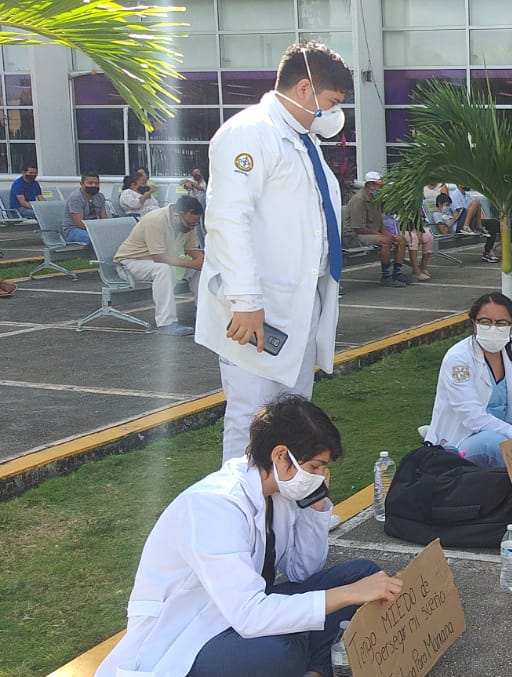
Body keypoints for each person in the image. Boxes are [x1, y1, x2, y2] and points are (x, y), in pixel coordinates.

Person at [94, 395, 402, 677]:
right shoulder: (214, 506)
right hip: (184, 640)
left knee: (364, 575)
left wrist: (316, 508)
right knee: (282, 655)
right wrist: (345, 596)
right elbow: (249, 615)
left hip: (235, 616)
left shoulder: (277, 492)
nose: (321, 476)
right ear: (281, 456)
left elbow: (302, 571)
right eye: (314, 467)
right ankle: (304, 664)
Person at [195, 40, 354, 463]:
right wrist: (246, 301)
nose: (334, 114)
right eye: (331, 102)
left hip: (297, 306)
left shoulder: (303, 140)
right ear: (304, 89)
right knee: (252, 419)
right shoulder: (249, 133)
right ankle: (241, 504)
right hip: (258, 310)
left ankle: (284, 500)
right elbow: (228, 220)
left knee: (292, 419)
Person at [424, 293, 512, 468]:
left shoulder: (509, 352)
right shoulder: (458, 359)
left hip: (504, 430)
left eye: (501, 323)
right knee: (494, 444)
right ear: (474, 323)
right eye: (485, 322)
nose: (493, 328)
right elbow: (472, 416)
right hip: (466, 439)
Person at [115, 196, 206, 336]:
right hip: (129, 263)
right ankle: (166, 323)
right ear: (177, 215)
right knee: (163, 269)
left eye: (195, 224)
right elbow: (158, 257)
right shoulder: (155, 220)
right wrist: (192, 263)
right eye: (189, 224)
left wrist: (201, 261)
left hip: (159, 261)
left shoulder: (189, 223)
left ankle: (203, 314)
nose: (191, 227)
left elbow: (190, 249)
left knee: (200, 268)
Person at [342, 171, 411, 287]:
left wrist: (389, 234)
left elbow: (380, 223)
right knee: (386, 241)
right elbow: (359, 228)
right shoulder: (359, 200)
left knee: (401, 240)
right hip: (354, 235)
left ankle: (397, 273)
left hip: (370, 232)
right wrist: (383, 236)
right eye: (379, 186)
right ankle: (386, 276)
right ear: (371, 186)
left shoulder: (376, 199)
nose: (381, 189)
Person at [62, 172, 108, 248]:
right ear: (81, 184)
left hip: (93, 229)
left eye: (96, 183)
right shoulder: (76, 198)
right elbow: (79, 223)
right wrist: (97, 231)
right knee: (95, 239)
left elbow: (104, 218)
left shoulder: (100, 196)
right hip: (73, 230)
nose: (94, 185)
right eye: (90, 183)